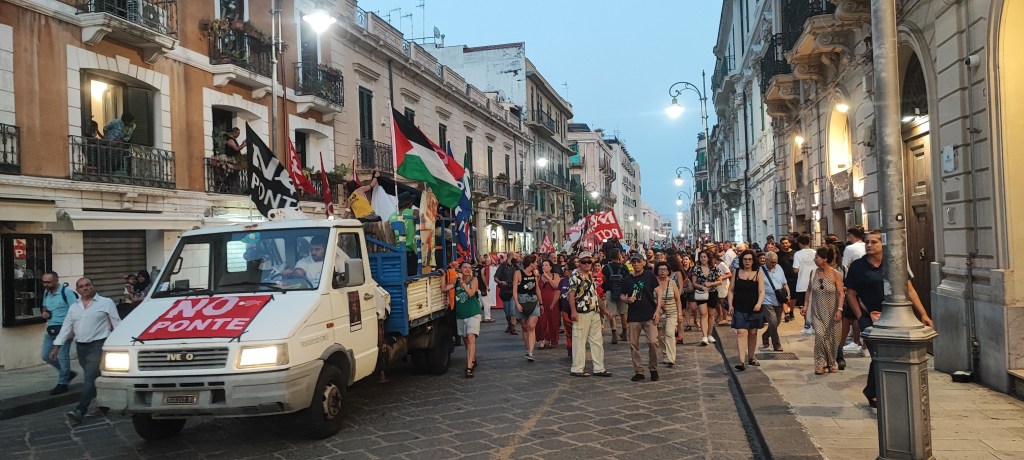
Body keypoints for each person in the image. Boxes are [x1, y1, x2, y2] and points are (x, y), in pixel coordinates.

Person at [846, 229, 933, 408]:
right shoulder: (858, 266)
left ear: (883, 245)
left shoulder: (895, 263)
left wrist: (923, 314)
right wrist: (860, 316)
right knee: (878, 353)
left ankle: (874, 390)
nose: (869, 245)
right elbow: (851, 293)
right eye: (867, 242)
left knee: (886, 355)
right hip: (869, 317)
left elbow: (909, 289)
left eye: (874, 242)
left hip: (894, 316)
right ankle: (876, 392)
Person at [50, 278, 121, 424]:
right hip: (81, 347)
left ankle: (80, 410)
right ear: (78, 290)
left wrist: (119, 343)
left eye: (88, 285)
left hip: (98, 345)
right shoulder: (74, 307)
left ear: (93, 286)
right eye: (81, 286)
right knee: (93, 377)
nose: (85, 288)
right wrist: (57, 346)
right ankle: (103, 404)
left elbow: (116, 322)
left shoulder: (105, 302)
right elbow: (66, 327)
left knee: (89, 377)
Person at [568, 251, 612, 377]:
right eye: (584, 262)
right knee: (579, 340)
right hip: (582, 312)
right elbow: (571, 295)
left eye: (589, 261)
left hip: (594, 311)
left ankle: (599, 368)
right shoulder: (575, 276)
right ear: (579, 263)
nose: (587, 264)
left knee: (597, 340)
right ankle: (577, 368)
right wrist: (573, 311)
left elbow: (595, 295)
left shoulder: (590, 276)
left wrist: (604, 310)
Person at [804, 246, 846, 375]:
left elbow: (841, 293)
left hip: (833, 311)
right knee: (820, 336)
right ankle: (820, 363)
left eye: (817, 257)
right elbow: (808, 290)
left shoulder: (836, 274)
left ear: (824, 259)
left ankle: (831, 362)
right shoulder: (813, 273)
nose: (814, 259)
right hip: (817, 311)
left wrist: (839, 309)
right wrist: (805, 306)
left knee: (833, 338)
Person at [621, 253, 661, 382]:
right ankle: (638, 370)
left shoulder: (649, 275)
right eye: (634, 262)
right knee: (633, 344)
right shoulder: (628, 279)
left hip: (649, 313)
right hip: (634, 315)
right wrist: (626, 299)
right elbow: (621, 294)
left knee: (653, 342)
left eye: (638, 261)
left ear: (643, 263)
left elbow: (659, 292)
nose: (636, 264)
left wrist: (658, 310)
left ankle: (653, 368)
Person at [40, 271, 79, 395]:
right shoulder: (46, 292)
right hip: (51, 328)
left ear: (56, 280)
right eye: (44, 282)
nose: (45, 284)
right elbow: (44, 307)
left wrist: (72, 330)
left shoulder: (66, 292)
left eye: (48, 282)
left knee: (62, 356)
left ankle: (62, 383)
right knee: (46, 355)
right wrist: (44, 313)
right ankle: (67, 373)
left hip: (64, 329)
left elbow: (76, 311)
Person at [728, 250, 766, 371]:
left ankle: (751, 356)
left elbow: (761, 291)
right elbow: (731, 290)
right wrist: (730, 305)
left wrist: (759, 303)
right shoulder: (736, 272)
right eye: (745, 259)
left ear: (753, 260)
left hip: (754, 307)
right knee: (741, 332)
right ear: (741, 260)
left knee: (753, 332)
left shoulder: (758, 273)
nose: (747, 261)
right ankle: (741, 360)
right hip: (739, 307)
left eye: (749, 259)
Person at [443, 262, 482, 378]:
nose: (467, 269)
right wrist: (442, 277)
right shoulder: (456, 281)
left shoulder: (474, 280)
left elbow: (470, 293)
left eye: (469, 268)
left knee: (471, 338)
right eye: (465, 267)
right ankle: (472, 358)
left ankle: (469, 367)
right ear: (460, 269)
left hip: (473, 313)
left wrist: (463, 282)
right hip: (461, 315)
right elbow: (444, 288)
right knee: (465, 339)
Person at [513, 254, 543, 361]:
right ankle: (527, 348)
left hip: (533, 301)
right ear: (531, 263)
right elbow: (515, 290)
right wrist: (517, 303)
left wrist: (541, 303)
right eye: (535, 262)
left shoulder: (535, 274)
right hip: (522, 301)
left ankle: (530, 352)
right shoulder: (518, 273)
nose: (537, 264)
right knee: (524, 326)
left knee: (531, 326)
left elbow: (537, 289)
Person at [759, 252, 790, 352]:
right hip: (766, 300)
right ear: (766, 261)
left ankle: (765, 335)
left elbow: (784, 283)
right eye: (772, 262)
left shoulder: (779, 268)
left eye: (775, 262)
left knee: (776, 323)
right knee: (772, 322)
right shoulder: (760, 270)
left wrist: (788, 294)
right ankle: (776, 344)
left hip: (779, 300)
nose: (774, 264)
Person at [654, 262, 683, 367]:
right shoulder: (653, 283)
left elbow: (677, 299)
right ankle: (665, 353)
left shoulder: (672, 283)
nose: (662, 271)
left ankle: (671, 357)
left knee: (669, 333)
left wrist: (680, 314)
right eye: (660, 269)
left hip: (671, 312)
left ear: (668, 271)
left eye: (665, 269)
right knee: (658, 335)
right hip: (658, 313)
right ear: (657, 271)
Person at [692, 250, 722, 346]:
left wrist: (711, 284)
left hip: (712, 292)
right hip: (701, 293)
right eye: (701, 257)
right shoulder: (696, 268)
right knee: (703, 314)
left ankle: (709, 334)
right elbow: (694, 282)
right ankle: (704, 336)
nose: (703, 259)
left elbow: (720, 281)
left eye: (704, 257)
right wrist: (702, 287)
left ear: (708, 258)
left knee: (711, 314)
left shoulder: (714, 268)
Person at [601, 248, 629, 344]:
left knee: (611, 313)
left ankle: (614, 334)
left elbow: (604, 279)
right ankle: (624, 332)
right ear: (619, 256)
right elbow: (627, 280)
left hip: (610, 291)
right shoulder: (624, 267)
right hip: (622, 292)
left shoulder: (605, 268)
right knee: (623, 313)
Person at [792, 234, 817, 334]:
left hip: (803, 283)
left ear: (800, 243)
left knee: (804, 305)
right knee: (815, 305)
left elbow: (795, 269)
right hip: (815, 282)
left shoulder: (798, 254)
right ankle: (815, 325)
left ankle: (807, 326)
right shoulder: (815, 253)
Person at [389, 193, 418, 276]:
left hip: (396, 252)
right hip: (409, 253)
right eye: (411, 203)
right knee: (411, 281)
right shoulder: (413, 212)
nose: (412, 204)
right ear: (408, 204)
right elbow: (422, 215)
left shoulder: (392, 216)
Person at [536, 259, 562, 350]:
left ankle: (552, 339)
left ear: (551, 267)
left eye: (547, 265)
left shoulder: (555, 275)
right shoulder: (538, 277)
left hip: (553, 301)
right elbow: (537, 289)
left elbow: (556, 286)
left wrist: (548, 277)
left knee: (552, 320)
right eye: (543, 265)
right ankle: (543, 339)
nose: (544, 267)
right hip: (542, 300)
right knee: (542, 320)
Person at [495, 253, 518, 335]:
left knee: (512, 310)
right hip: (504, 290)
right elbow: (496, 277)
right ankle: (509, 325)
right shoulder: (502, 266)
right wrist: (501, 282)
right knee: (507, 310)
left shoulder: (515, 266)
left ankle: (513, 327)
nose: (516, 258)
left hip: (513, 290)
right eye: (515, 256)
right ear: (511, 257)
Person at [777, 236, 798, 321]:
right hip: (782, 278)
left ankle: (791, 311)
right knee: (783, 296)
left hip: (794, 278)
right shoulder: (778, 255)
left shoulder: (795, 253)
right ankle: (786, 313)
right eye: (783, 243)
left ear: (790, 243)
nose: (785, 245)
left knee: (793, 296)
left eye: (786, 243)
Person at [477, 254, 496, 323]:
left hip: (477, 287)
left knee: (479, 303)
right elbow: (483, 277)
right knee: (487, 303)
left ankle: (478, 318)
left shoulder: (476, 267)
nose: (486, 260)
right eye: (484, 259)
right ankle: (487, 317)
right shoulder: (482, 267)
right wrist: (486, 286)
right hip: (482, 287)